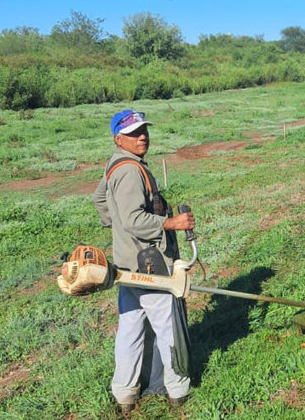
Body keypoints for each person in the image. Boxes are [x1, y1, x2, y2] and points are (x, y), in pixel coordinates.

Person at [92, 110, 195, 413]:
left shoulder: (115, 164)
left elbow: (100, 200)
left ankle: (125, 393)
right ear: (118, 138)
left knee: (130, 330)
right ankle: (178, 391)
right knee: (167, 327)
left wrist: (118, 226)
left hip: (126, 265)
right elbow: (135, 219)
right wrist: (171, 223)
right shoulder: (130, 171)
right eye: (134, 133)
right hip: (149, 264)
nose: (142, 137)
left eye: (144, 130)